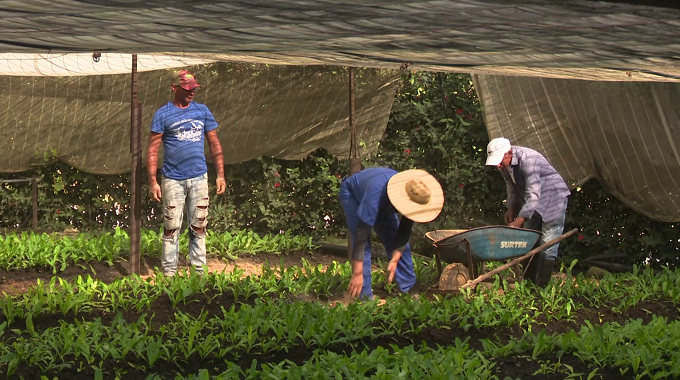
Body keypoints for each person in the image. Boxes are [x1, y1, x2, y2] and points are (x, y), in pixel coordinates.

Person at [146, 69, 226, 276]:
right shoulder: (162, 114)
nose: (192, 92)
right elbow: (153, 150)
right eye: (187, 88)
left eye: (194, 88)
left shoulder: (202, 111)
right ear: (175, 88)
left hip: (199, 177)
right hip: (172, 179)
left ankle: (199, 273)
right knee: (171, 227)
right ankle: (169, 273)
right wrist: (153, 181)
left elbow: (215, 144)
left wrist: (220, 175)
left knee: (199, 225)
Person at [339, 167, 444, 300]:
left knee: (398, 242)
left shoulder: (414, 195)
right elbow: (361, 235)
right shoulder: (376, 196)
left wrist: (395, 259)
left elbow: (404, 230)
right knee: (364, 245)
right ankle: (364, 297)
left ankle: (409, 290)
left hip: (382, 198)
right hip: (353, 193)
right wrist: (357, 273)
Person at [485, 137, 570, 286]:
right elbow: (511, 187)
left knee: (547, 243)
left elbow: (533, 194)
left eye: (499, 160)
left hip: (553, 197)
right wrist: (512, 207)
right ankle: (528, 284)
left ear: (509, 153)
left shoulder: (528, 161)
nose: (497, 165)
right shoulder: (504, 166)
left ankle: (541, 287)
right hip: (532, 202)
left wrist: (519, 220)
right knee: (529, 240)